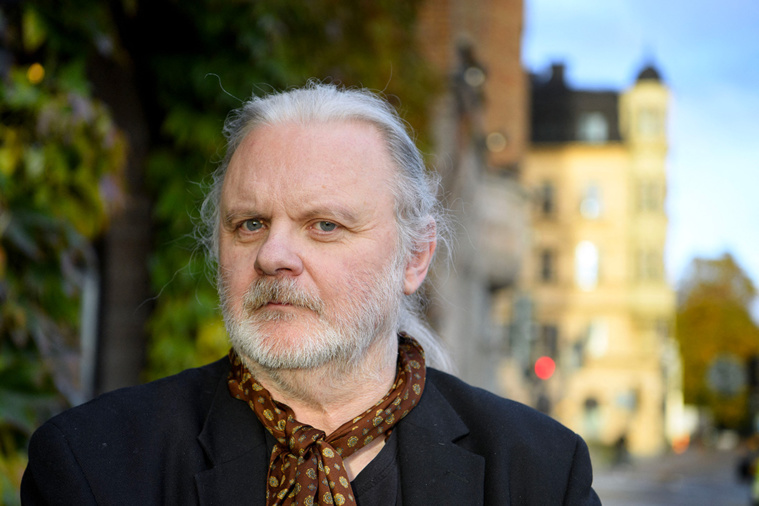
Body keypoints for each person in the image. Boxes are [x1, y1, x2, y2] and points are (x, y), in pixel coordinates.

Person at [21, 82, 601, 505]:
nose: (272, 255)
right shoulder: (93, 466)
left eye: (325, 225)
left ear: (415, 257)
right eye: (250, 224)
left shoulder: (538, 472)